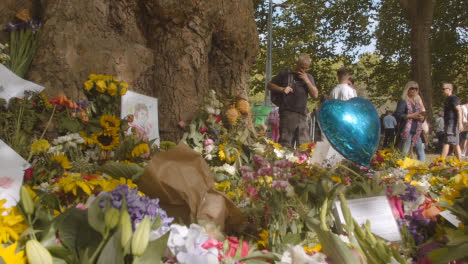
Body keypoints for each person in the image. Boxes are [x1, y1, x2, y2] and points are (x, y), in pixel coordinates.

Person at [268, 54, 319, 148]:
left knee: (305, 145)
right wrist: (282, 89)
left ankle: (303, 161)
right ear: (297, 63)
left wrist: (307, 80)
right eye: (301, 67)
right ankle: (283, 162)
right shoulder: (286, 74)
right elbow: (270, 85)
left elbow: (315, 95)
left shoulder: (309, 77)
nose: (303, 70)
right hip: (287, 114)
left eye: (305, 68)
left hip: (302, 115)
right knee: (285, 143)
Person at [395, 81, 425, 162]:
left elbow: (420, 115)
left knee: (421, 152)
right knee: (404, 152)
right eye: (412, 88)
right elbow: (398, 114)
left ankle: (423, 169)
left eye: (416, 89)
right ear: (407, 89)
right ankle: (401, 170)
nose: (414, 90)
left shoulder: (416, 103)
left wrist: (422, 118)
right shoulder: (403, 101)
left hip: (417, 131)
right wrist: (411, 116)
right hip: (407, 131)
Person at [441, 83, 464, 160]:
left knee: (447, 142)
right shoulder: (448, 99)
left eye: (444, 89)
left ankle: (440, 162)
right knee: (454, 144)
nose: (442, 91)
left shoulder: (453, 98)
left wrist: (460, 123)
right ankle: (460, 163)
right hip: (449, 124)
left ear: (449, 89)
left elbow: (459, 110)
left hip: (452, 123)